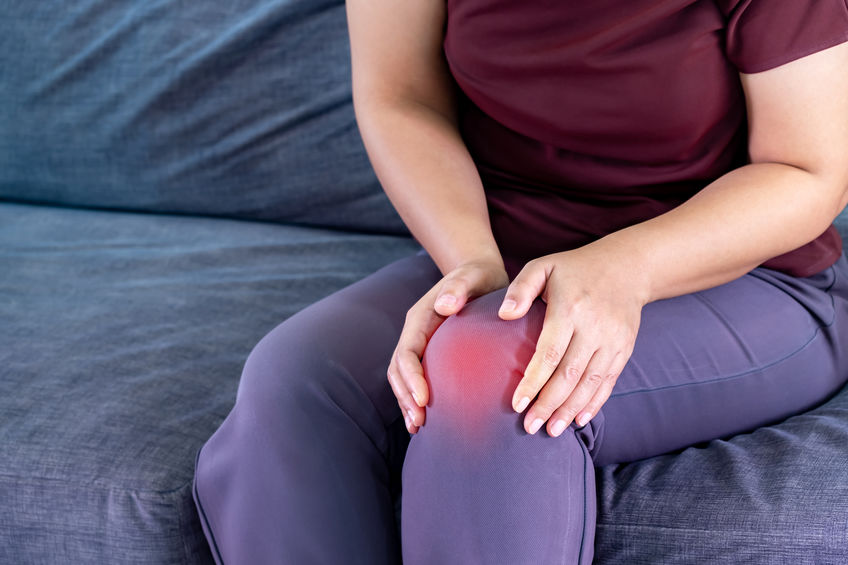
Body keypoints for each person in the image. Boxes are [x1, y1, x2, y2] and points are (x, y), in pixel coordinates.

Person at [192, 1, 848, 563]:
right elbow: (401, 96)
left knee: (490, 376)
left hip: (741, 275)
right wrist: (468, 260)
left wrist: (628, 266)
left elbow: (807, 171)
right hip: (506, 259)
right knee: (298, 382)